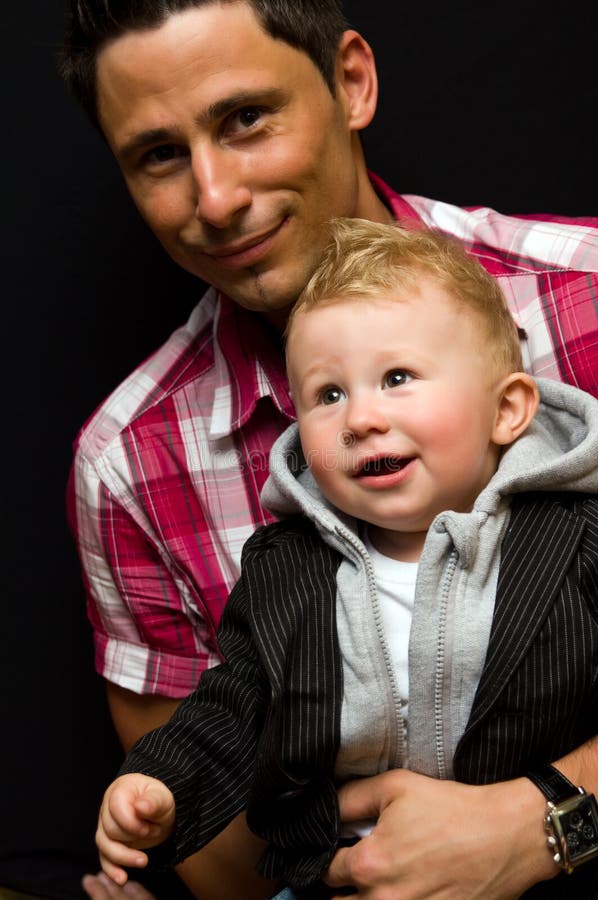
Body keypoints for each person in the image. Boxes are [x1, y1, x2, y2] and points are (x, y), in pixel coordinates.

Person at [59, 1, 598, 897]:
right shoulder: (129, 466)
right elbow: (225, 840)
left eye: (245, 120)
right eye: (159, 155)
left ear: (351, 81)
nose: (217, 198)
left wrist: (542, 824)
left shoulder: (584, 304)